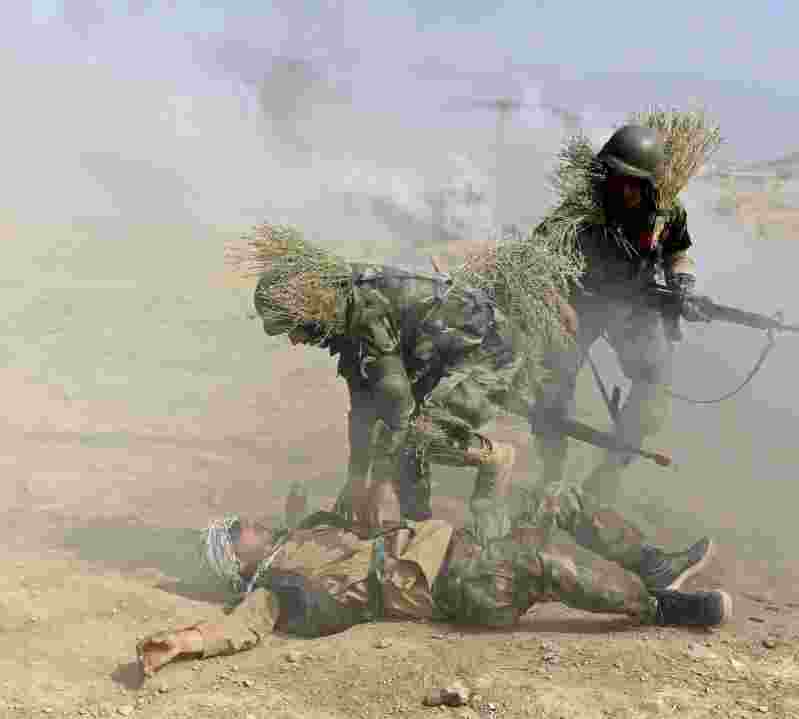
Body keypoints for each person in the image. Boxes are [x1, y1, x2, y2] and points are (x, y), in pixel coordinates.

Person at [136, 483, 728, 677]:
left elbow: (375, 509)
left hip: (462, 545)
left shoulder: (307, 535)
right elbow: (241, 627)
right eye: (237, 531)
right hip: (455, 583)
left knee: (557, 498)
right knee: (539, 553)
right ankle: (662, 608)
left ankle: (650, 564)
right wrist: (185, 642)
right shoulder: (274, 588)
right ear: (237, 562)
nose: (250, 523)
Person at [241, 225, 581, 537]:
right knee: (397, 441)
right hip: (441, 359)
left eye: (292, 328)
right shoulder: (342, 308)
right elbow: (362, 404)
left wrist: (377, 487)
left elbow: (398, 406)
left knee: (414, 435)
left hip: (490, 351)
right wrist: (357, 476)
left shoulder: (363, 310)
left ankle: (495, 459)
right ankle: (417, 525)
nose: (296, 341)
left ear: (307, 308)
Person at [531, 123, 711, 505]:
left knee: (654, 386)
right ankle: (550, 478)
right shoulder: (580, 211)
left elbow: (679, 254)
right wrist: (557, 302)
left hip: (634, 305)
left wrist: (684, 285)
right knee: (550, 384)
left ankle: (605, 479)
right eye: (617, 178)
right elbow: (536, 261)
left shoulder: (666, 212)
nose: (624, 189)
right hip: (577, 303)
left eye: (634, 181)